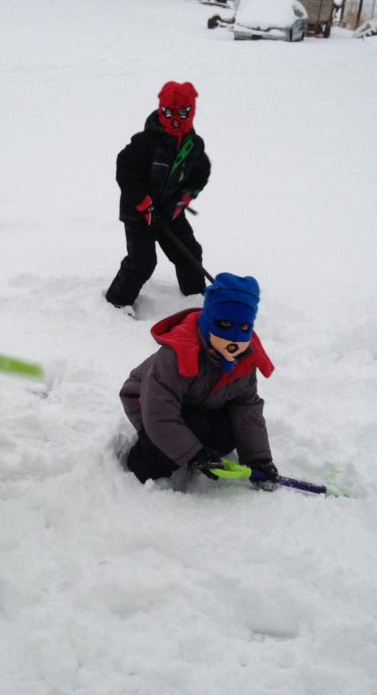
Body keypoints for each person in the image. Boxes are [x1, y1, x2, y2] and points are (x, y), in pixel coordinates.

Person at [119, 273, 280, 486]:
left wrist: (258, 458)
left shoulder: (244, 358)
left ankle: (188, 444)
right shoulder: (178, 354)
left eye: (244, 329)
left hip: (198, 402)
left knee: (225, 434)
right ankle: (143, 462)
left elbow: (245, 406)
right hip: (147, 403)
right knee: (192, 428)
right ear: (209, 321)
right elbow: (159, 412)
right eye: (224, 324)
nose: (235, 338)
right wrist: (196, 455)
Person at [104, 80, 212, 315]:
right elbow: (125, 170)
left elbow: (200, 175)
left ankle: (195, 298)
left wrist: (180, 204)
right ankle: (117, 303)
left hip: (169, 212)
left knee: (189, 252)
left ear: (191, 111)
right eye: (168, 112)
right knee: (142, 261)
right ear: (160, 110)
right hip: (138, 213)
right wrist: (144, 204)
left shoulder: (193, 146)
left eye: (182, 113)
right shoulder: (145, 142)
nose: (175, 118)